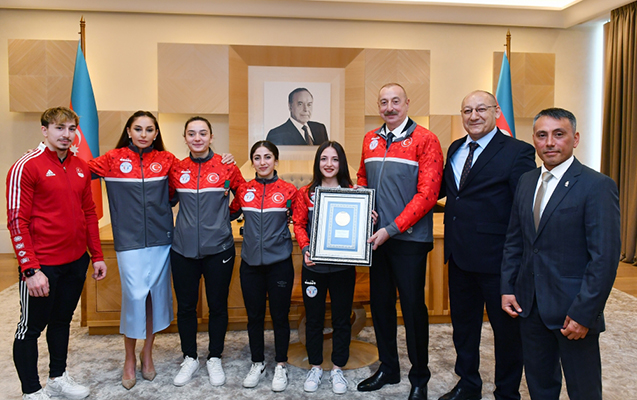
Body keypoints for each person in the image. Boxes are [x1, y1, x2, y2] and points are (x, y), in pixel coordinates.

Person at [501, 108, 621, 400]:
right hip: (530, 306)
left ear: (575, 139)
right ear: (534, 140)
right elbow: (515, 241)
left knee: (584, 390)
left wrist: (585, 313)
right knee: (540, 385)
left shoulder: (597, 186)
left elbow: (604, 258)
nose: (550, 142)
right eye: (542, 135)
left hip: (573, 311)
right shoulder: (526, 181)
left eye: (559, 134)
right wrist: (508, 288)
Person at [438, 90, 535, 400]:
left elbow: (523, 208)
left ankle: (507, 392)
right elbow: (449, 193)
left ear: (496, 111)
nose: (474, 116)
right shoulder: (455, 148)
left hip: (498, 261)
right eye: (467, 110)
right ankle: (468, 384)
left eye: (481, 109)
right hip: (458, 256)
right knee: (463, 329)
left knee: (507, 335)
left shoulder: (518, 151)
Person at [6, 107, 107, 400]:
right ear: (45, 130)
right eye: (59, 128)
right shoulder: (26, 166)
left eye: (71, 128)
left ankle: (57, 377)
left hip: (75, 262)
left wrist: (97, 255)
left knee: (62, 321)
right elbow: (16, 221)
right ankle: (31, 391)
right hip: (42, 265)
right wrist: (30, 269)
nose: (66, 134)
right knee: (30, 328)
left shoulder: (80, 166)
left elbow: (89, 212)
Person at [356, 83, 443, 400]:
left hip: (409, 240)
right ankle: (389, 368)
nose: (389, 107)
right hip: (376, 240)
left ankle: (420, 377)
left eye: (395, 101)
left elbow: (428, 195)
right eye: (383, 102)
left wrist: (391, 228)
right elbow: (362, 178)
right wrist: (361, 201)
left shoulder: (426, 139)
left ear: (407, 103)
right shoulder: (370, 138)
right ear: (378, 106)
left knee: (412, 308)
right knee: (380, 306)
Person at [88, 111, 176, 390]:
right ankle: (128, 358)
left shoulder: (167, 159)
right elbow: (76, 170)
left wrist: (224, 160)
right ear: (128, 131)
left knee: (154, 299)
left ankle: (146, 354)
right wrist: (48, 153)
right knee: (135, 297)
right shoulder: (112, 159)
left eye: (149, 129)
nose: (143, 134)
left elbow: (189, 177)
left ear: (156, 133)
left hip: (161, 240)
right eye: (138, 129)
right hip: (129, 241)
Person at [169, 116, 245, 387]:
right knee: (186, 307)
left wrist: (227, 216)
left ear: (211, 137)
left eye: (203, 133)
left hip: (219, 249)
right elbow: (168, 198)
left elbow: (244, 194)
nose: (197, 138)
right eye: (192, 133)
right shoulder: (177, 168)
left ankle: (214, 356)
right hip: (182, 250)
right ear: (185, 138)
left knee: (217, 306)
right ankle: (189, 357)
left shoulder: (227, 166)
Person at [293, 141, 366, 394]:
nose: (329, 164)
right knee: (313, 319)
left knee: (341, 319)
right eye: (324, 159)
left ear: (341, 163)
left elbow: (358, 227)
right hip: (314, 268)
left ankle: (337, 368)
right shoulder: (306, 193)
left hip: (343, 269)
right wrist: (305, 247)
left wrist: (369, 218)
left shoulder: (354, 192)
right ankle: (315, 366)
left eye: (335, 159)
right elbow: (299, 224)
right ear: (317, 162)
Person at [230, 140, 298, 392]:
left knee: (280, 317)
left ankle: (281, 363)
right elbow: (227, 212)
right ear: (252, 162)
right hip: (250, 264)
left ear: (276, 161)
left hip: (279, 264)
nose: (262, 162)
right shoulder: (244, 190)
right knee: (254, 317)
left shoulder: (289, 190)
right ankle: (257, 362)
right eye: (257, 158)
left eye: (267, 157)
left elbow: (303, 219)